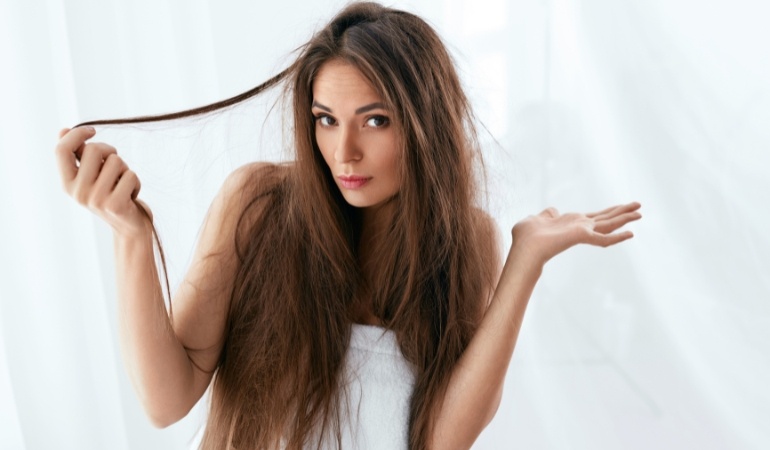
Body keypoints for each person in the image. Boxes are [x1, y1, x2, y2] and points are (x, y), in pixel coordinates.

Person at [54, 2, 641, 449]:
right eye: (326, 119)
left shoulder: (466, 242)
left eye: (375, 120)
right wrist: (130, 237)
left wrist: (525, 260)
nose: (344, 152)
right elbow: (165, 401)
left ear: (423, 123)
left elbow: (442, 439)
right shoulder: (259, 204)